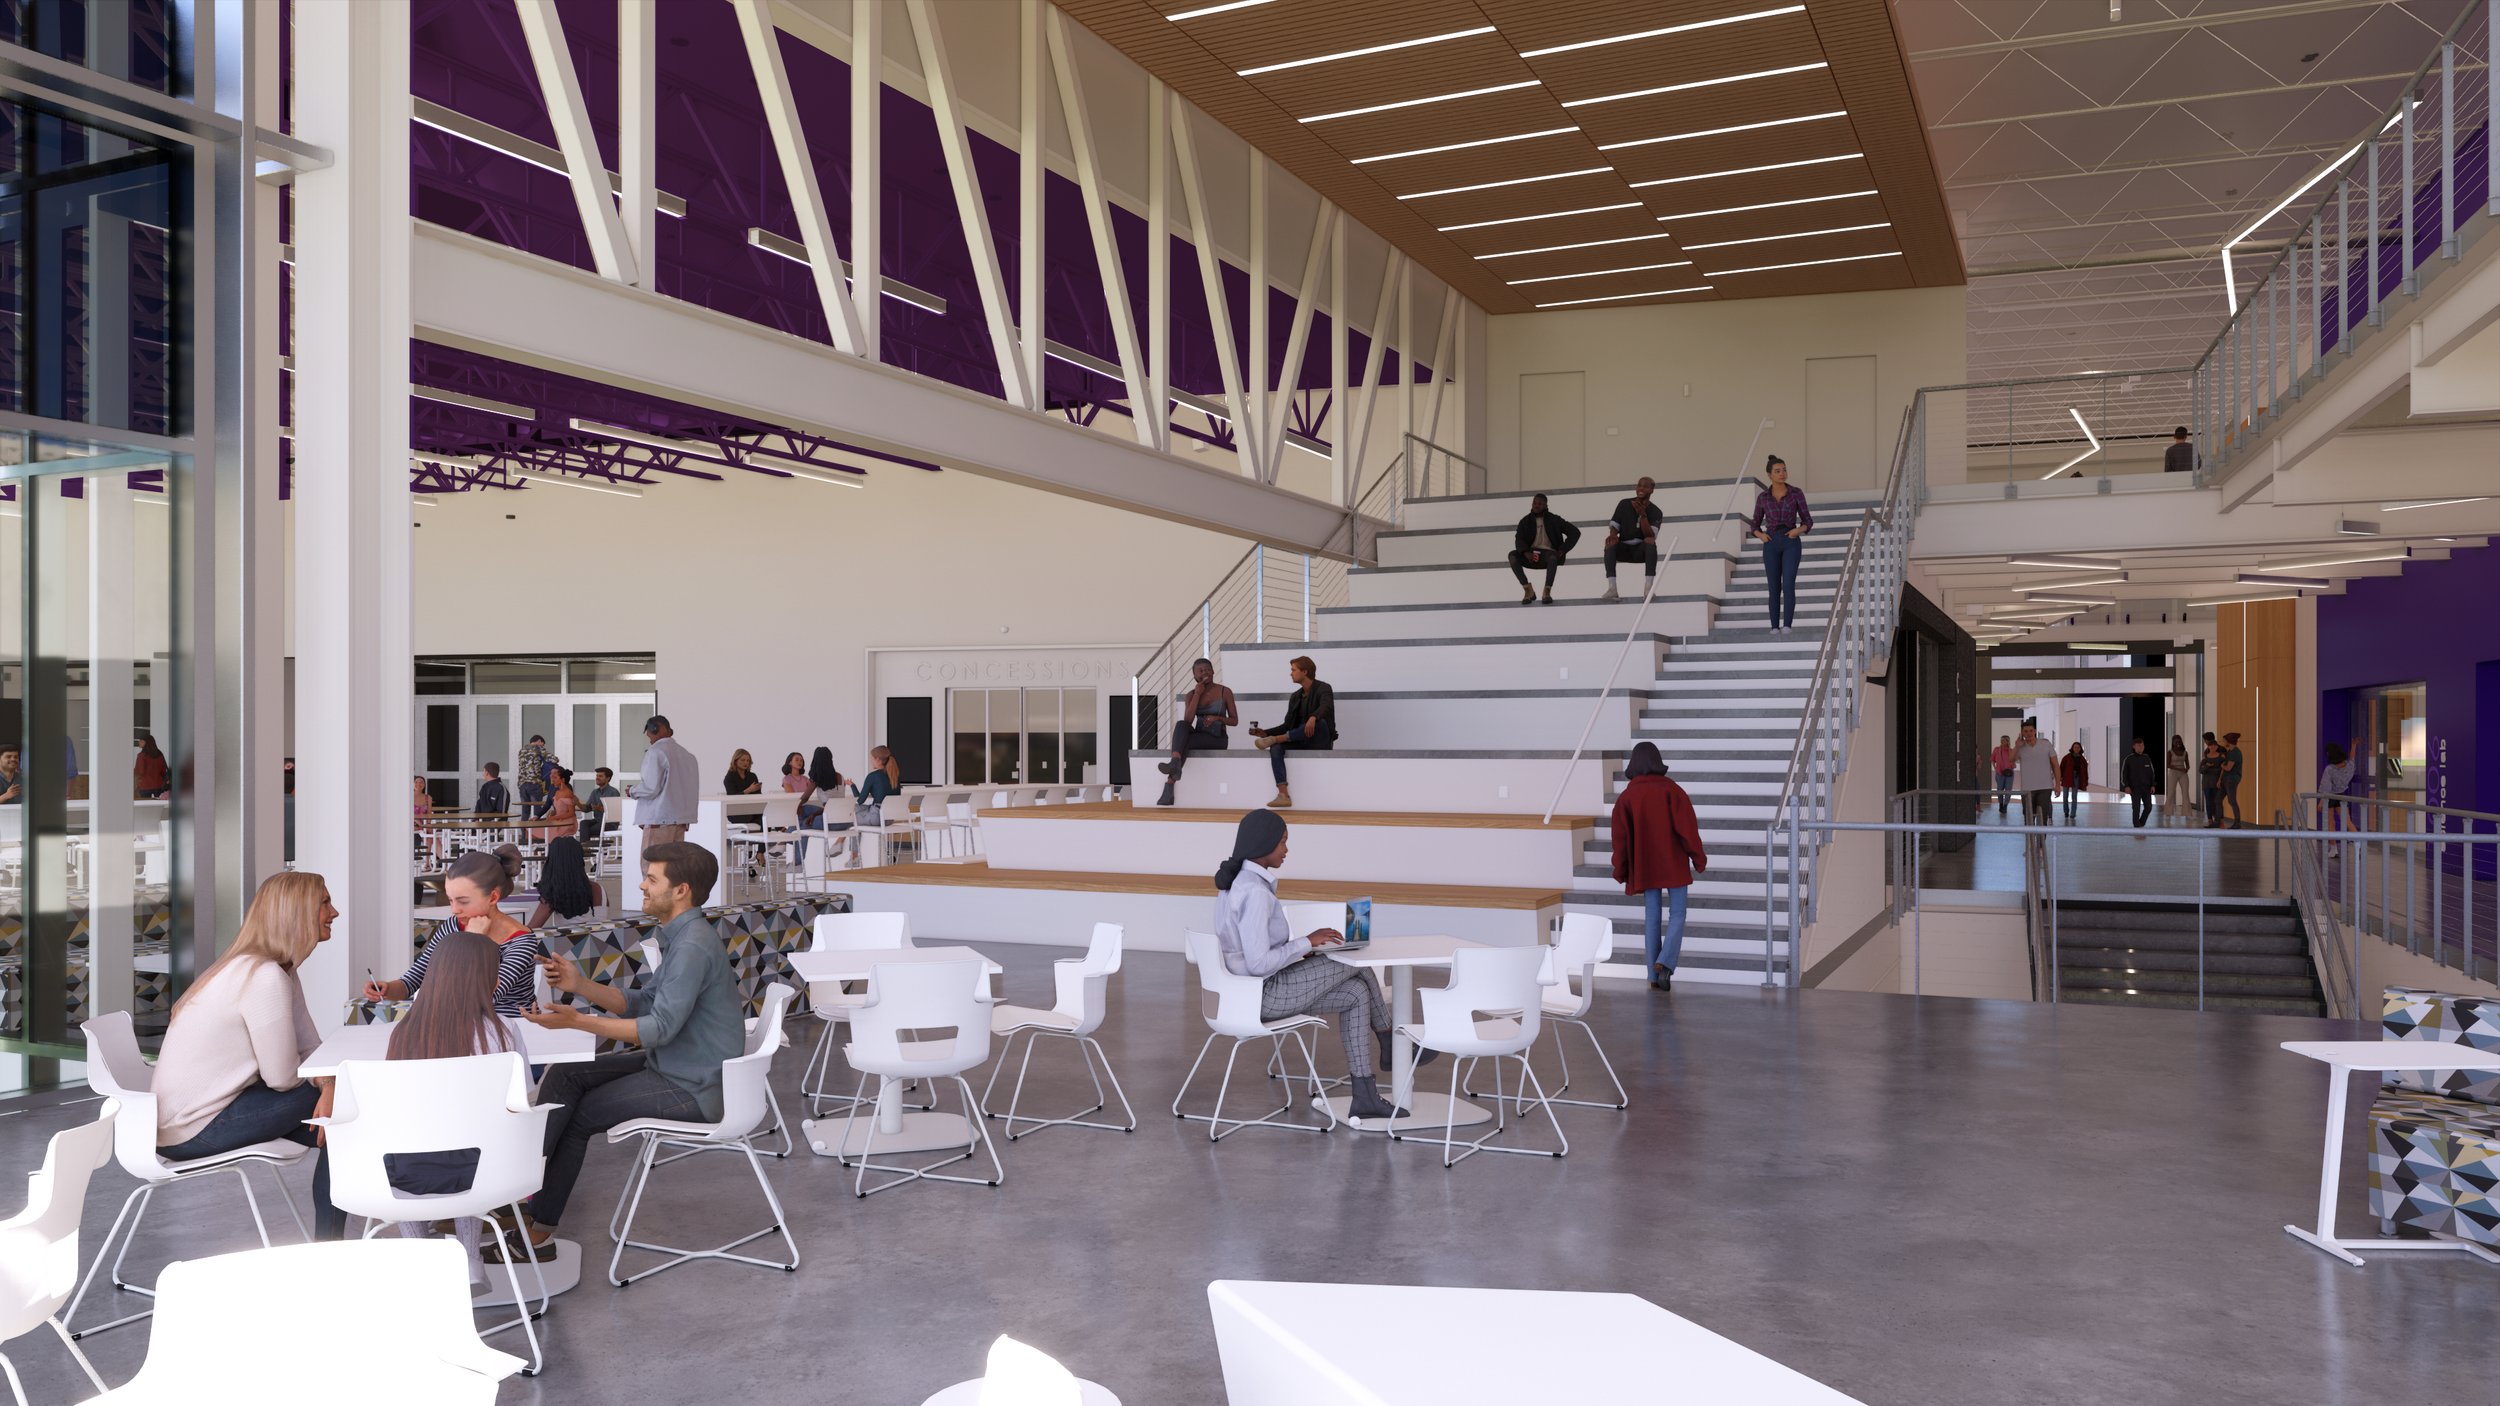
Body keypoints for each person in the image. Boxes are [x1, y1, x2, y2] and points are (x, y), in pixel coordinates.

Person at [510, 842, 743, 1259]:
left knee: (581, 1116)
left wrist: (577, 1020)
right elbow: (644, 1003)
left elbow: (658, 1029)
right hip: (677, 1065)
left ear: (681, 890)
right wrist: (579, 985)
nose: (641, 885)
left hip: (695, 1085)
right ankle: (517, 1186)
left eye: (652, 879)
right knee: (566, 1075)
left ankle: (536, 1224)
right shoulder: (681, 935)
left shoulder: (691, 946)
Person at [151, 871, 345, 1240]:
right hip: (194, 1128)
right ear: (296, 912)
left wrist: (329, 1083)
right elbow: (282, 1077)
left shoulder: (274, 969)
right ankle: (331, 1249)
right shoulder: (263, 977)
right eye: (324, 902)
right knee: (349, 1110)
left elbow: (311, 1048)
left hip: (210, 1114)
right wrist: (331, 1085)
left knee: (341, 1122)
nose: (333, 912)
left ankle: (329, 1251)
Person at [1212, 810, 1417, 1120]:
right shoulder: (1254, 892)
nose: (1286, 850)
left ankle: (1365, 1095)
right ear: (1263, 843)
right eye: (1282, 842)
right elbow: (1257, 964)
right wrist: (1306, 942)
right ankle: (1388, 1039)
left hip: (1248, 992)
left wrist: (1300, 951)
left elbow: (1253, 951)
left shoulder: (1239, 882)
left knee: (1356, 993)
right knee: (1356, 961)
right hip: (1263, 994)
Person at [384, 928, 515, 1284]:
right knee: (478, 1140)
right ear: (485, 978)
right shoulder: (500, 1031)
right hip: (482, 1173)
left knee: (402, 1142)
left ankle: (418, 1253)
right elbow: (519, 1103)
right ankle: (470, 1257)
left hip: (404, 1176)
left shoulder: (403, 1033)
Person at [365, 846, 546, 1015]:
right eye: (450, 900)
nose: (454, 909)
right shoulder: (453, 925)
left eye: (463, 901)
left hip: (513, 1032)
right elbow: (414, 979)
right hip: (461, 1027)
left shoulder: (521, 940)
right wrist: (388, 989)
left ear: (493, 897)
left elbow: (483, 997)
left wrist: (474, 942)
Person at [1611, 742, 1707, 991]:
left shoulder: (1627, 797)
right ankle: (1665, 962)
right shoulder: (1673, 791)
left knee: (1651, 917)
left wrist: (1620, 869)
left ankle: (1653, 976)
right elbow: (1688, 830)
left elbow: (1619, 840)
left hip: (1645, 866)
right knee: (1678, 914)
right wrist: (1698, 858)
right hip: (1674, 863)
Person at [1249, 656, 1335, 810]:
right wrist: (1265, 733)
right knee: (1275, 747)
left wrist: (1313, 717)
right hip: (1299, 738)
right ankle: (1283, 795)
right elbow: (1287, 725)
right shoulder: (1295, 697)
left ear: (1305, 671)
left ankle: (1277, 739)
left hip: (1319, 739)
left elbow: (1326, 706)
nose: (1291, 674)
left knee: (1320, 723)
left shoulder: (1324, 688)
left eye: (1293, 670)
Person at [1157, 658, 1237, 807]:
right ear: (1195, 676)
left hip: (1218, 738)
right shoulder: (1191, 695)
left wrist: (1217, 718)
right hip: (1200, 736)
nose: (1205, 672)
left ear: (1213, 671)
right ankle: (1175, 764)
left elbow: (1234, 721)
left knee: (1185, 742)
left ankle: (1170, 782)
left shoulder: (1225, 692)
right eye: (1200, 671)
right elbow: (1188, 720)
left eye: (1207, 669)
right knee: (1181, 725)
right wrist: (1197, 695)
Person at [1747, 455, 1814, 634]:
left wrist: (1797, 531)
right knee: (1774, 587)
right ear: (1769, 475)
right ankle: (1774, 627)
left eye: (1784, 469)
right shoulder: (1763, 497)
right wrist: (1760, 535)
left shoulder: (1796, 493)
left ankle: (1787, 626)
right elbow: (1754, 523)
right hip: (1771, 543)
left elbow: (1808, 521)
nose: (1782, 473)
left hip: (1791, 541)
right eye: (1778, 471)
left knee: (1789, 584)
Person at [632, 715, 697, 848]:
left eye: (649, 735)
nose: (650, 740)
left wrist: (633, 790)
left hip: (659, 820)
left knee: (651, 866)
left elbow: (651, 788)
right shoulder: (688, 756)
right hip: (680, 821)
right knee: (673, 867)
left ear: (656, 729)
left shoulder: (656, 752)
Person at [1507, 493, 1581, 604]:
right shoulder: (1525, 521)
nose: (1536, 506)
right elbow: (1519, 539)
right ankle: (1528, 590)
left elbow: (1575, 532)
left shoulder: (1554, 519)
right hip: (1531, 555)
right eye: (1534, 503)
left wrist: (1561, 551)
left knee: (1552, 557)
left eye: (1540, 504)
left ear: (1546, 506)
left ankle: (1547, 591)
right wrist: (1526, 552)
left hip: (1548, 555)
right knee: (1512, 556)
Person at [1599, 477, 1664, 602]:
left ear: (1652, 490)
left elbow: (1650, 535)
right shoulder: (1624, 504)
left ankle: (1648, 588)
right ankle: (1612, 588)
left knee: (1650, 543)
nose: (1641, 488)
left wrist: (1643, 515)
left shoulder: (1656, 511)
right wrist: (1613, 535)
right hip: (1624, 548)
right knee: (1609, 544)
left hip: (1640, 551)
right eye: (1639, 485)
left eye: (1645, 486)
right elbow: (1615, 525)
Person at [529, 834, 605, 927]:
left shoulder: (555, 891)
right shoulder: (599, 889)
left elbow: (531, 929)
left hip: (568, 941)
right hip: (601, 939)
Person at [2012, 718, 2056, 828]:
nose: (2028, 733)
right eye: (2025, 731)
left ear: (2035, 731)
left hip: (2045, 787)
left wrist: (2058, 785)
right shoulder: (2020, 747)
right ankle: (2030, 843)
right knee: (2028, 818)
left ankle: (2041, 844)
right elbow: (2010, 759)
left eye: (2031, 731)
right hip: (2027, 789)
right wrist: (2016, 746)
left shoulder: (2046, 744)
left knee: (2043, 818)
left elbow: (2055, 765)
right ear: (2022, 733)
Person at [531, 766, 581, 843]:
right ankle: (540, 851)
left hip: (565, 821)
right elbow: (548, 803)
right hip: (557, 818)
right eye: (551, 774)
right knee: (531, 829)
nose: (551, 776)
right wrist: (537, 816)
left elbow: (570, 811)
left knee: (540, 830)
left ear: (562, 779)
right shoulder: (553, 788)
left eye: (555, 775)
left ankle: (550, 850)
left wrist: (554, 816)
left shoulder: (567, 790)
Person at [2319, 743, 2356, 845]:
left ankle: (2333, 849)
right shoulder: (2349, 766)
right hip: (2342, 795)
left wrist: (2321, 802)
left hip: (2330, 797)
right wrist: (2353, 746)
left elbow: (2325, 787)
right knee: (2347, 821)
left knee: (2331, 823)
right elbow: (2352, 758)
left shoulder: (2329, 769)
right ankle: (2359, 843)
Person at [2121, 738, 2159, 829]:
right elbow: (2124, 774)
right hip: (2134, 788)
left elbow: (2151, 773)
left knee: (2148, 807)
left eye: (2142, 745)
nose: (2141, 747)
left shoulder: (2147, 758)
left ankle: (2141, 822)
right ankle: (2136, 826)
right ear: (2134, 747)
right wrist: (2126, 786)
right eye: (2138, 745)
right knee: (2136, 808)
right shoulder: (2129, 759)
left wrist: (2153, 785)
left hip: (2146, 788)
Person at [516, 735, 553, 820]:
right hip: (534, 783)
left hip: (522, 784)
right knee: (537, 812)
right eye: (542, 744)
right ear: (539, 741)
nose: (542, 746)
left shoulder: (522, 750)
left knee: (525, 810)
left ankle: (524, 832)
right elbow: (554, 759)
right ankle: (537, 833)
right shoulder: (538, 748)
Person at [582, 766, 619, 844]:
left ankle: (584, 848)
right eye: (597, 776)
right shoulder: (595, 792)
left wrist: (600, 808)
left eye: (600, 776)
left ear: (608, 778)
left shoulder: (613, 792)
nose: (597, 778)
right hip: (597, 821)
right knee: (583, 823)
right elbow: (587, 809)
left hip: (609, 823)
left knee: (586, 830)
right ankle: (584, 847)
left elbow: (614, 812)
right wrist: (577, 803)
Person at [2058, 741, 2089, 822]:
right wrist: (2060, 776)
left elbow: (2085, 771)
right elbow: (2061, 767)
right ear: (2072, 748)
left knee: (2074, 797)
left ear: (2080, 749)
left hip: (2076, 778)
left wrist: (2085, 780)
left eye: (2078, 747)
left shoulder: (2082, 759)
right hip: (2067, 778)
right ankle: (2066, 811)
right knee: (2065, 797)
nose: (2076, 749)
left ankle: (2073, 813)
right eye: (2075, 747)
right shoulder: (2066, 757)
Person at [2220, 731, 2246, 828]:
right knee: (2219, 799)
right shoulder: (2230, 752)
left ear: (2229, 741)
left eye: (2225, 741)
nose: (2224, 743)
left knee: (2232, 800)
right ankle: (2219, 820)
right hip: (2227, 779)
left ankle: (2237, 822)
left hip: (2231, 779)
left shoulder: (2235, 753)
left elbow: (2228, 768)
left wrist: (2222, 765)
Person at [2199, 736, 2226, 829]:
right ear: (2208, 747)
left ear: (2217, 746)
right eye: (2210, 746)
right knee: (2208, 802)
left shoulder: (2221, 757)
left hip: (2216, 783)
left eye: (2214, 746)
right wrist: (2207, 766)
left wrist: (2219, 779)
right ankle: (2210, 821)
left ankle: (2221, 822)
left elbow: (2223, 769)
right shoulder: (2205, 758)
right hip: (2206, 783)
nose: (2212, 747)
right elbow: (2201, 770)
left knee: (2217, 802)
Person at [133, 732, 170, 799]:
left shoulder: (142, 756)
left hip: (145, 785)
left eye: (141, 741)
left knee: (145, 806)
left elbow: (140, 772)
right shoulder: (159, 754)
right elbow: (163, 770)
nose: (139, 742)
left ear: (147, 742)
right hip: (159, 785)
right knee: (159, 806)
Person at [2165, 735, 2193, 821]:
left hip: (2183, 773)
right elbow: (2168, 765)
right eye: (2176, 742)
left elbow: (2188, 764)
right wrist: (2179, 768)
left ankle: (2187, 813)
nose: (2178, 743)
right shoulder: (2170, 752)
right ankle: (2168, 812)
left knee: (2185, 792)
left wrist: (2187, 769)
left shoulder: (2185, 752)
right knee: (2171, 792)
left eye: (2179, 741)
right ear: (2173, 743)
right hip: (2173, 772)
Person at [1988, 734, 2015, 818]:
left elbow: (2014, 764)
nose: (2002, 742)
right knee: (1999, 790)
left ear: (2008, 741)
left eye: (2004, 740)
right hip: (1999, 773)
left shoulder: (2011, 751)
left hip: (2009, 774)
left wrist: (2012, 763)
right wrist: (1995, 768)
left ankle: (2005, 806)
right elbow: (1992, 759)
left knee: (2008, 791)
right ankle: (2000, 804)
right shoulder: (1997, 750)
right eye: (2001, 740)